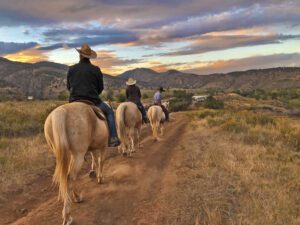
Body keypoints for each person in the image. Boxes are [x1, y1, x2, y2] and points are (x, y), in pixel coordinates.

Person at [67, 44, 120, 147]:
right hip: (93, 101)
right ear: (89, 56)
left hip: (74, 101)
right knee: (109, 112)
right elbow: (100, 88)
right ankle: (113, 138)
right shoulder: (96, 69)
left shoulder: (71, 69)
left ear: (80, 55)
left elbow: (69, 87)